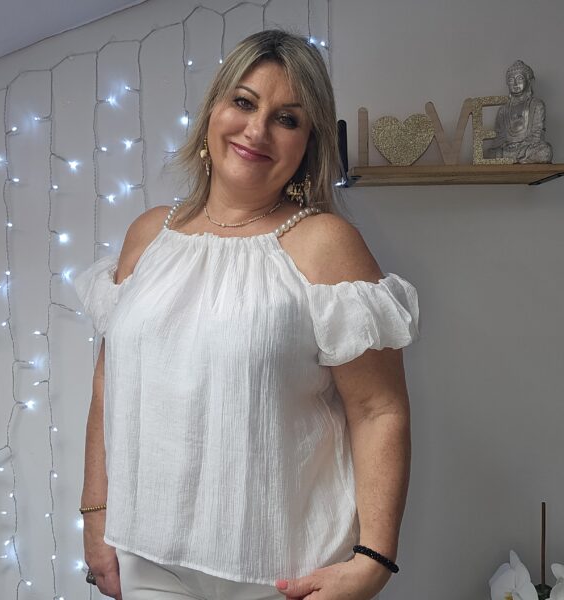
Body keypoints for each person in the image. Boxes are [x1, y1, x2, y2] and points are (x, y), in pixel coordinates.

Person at [74, 29, 420, 600]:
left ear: (307, 143)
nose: (257, 130)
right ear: (213, 110)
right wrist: (95, 513)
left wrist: (375, 559)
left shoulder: (326, 245)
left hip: (285, 570)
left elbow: (377, 409)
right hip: (147, 558)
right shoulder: (148, 235)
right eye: (244, 101)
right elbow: (108, 384)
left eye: (287, 118)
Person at [487, 59, 552, 163]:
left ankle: (511, 158)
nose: (515, 84)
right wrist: (506, 145)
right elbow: (499, 137)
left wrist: (522, 145)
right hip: (508, 148)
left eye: (520, 78)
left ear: (529, 81)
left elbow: (538, 133)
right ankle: (514, 157)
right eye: (511, 80)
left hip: (527, 147)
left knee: (545, 151)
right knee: (489, 154)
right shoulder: (503, 110)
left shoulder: (536, 105)